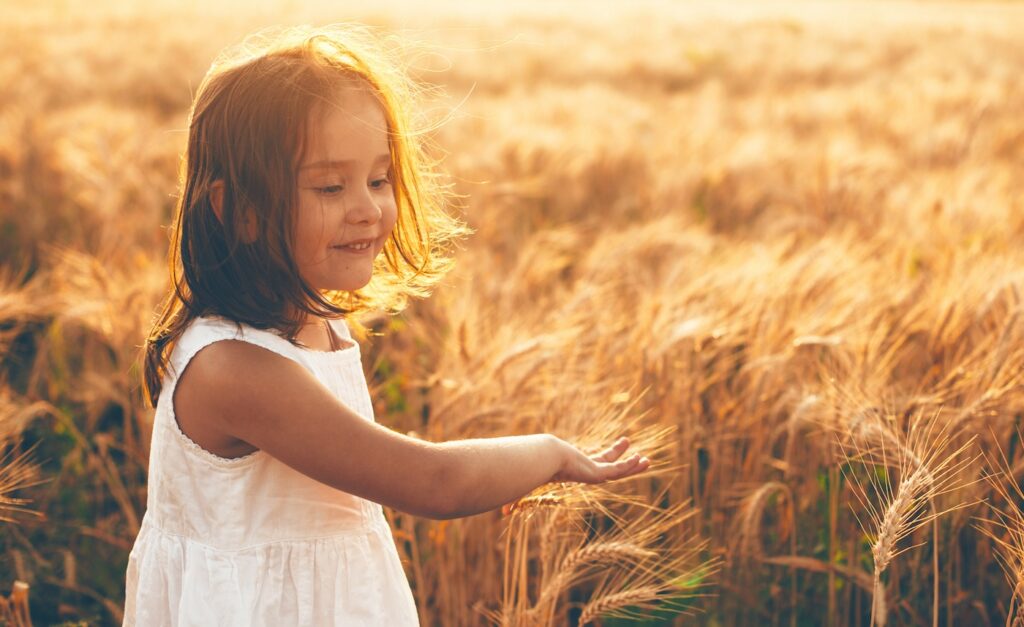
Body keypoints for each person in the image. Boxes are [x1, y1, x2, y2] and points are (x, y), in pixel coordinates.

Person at [122, 23, 650, 627]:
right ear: (238, 210)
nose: (369, 208)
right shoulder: (233, 369)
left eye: (379, 180)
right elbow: (433, 482)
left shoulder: (316, 328)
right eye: (329, 185)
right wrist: (550, 453)